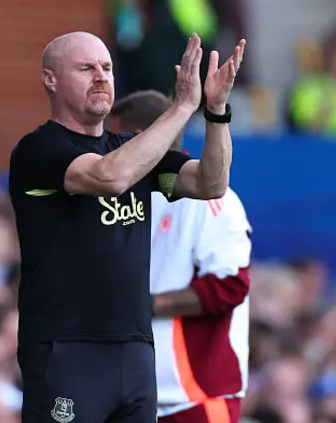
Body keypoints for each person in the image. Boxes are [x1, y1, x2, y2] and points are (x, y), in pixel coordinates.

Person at [8, 31, 246, 423]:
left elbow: (211, 183)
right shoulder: (39, 149)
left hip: (135, 349)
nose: (101, 76)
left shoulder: (130, 148)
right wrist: (182, 106)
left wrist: (216, 111)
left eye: (107, 67)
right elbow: (109, 177)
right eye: (86, 68)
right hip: (67, 349)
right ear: (50, 79)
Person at [107, 90, 252, 423]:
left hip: (194, 401)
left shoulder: (215, 200)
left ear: (143, 139)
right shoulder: (120, 197)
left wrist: (144, 306)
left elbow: (229, 286)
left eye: (112, 140)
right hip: (133, 401)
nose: (103, 151)